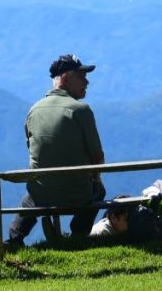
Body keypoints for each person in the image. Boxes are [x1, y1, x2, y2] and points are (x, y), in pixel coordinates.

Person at [6, 54, 105, 247]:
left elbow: (33, 150)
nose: (87, 81)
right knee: (99, 190)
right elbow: (97, 156)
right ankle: (77, 235)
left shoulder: (34, 110)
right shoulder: (81, 110)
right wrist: (96, 178)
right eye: (81, 76)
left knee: (31, 195)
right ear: (67, 78)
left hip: (41, 194)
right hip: (77, 193)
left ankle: (14, 238)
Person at [90, 179, 162, 242]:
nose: (132, 221)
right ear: (113, 218)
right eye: (127, 219)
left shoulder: (118, 226)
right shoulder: (101, 233)